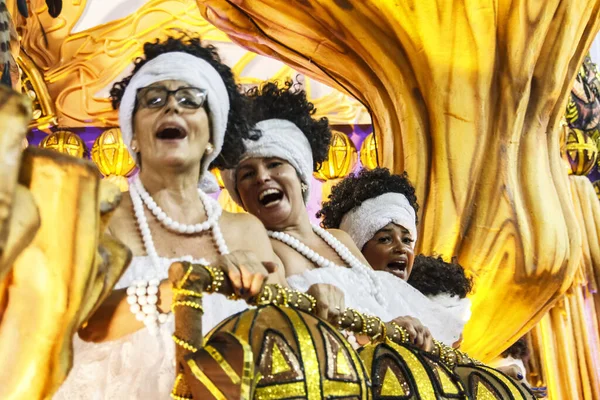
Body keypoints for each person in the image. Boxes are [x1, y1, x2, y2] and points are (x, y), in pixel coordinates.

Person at [55, 35, 283, 399]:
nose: (172, 108)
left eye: (190, 100)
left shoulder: (246, 231)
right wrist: (176, 288)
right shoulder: (99, 216)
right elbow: (81, 322)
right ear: (134, 136)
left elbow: (280, 333)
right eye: (154, 100)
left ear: (213, 134)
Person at [222, 80, 461, 349]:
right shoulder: (260, 247)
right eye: (247, 174)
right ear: (239, 196)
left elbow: (380, 305)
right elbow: (285, 337)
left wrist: (411, 330)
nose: (262, 178)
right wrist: (380, 334)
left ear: (301, 176)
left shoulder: (340, 240)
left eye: (274, 164)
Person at [317, 167, 468, 345]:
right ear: (355, 249)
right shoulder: (338, 298)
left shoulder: (424, 310)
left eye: (406, 239)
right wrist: (383, 332)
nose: (401, 248)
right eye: (385, 239)